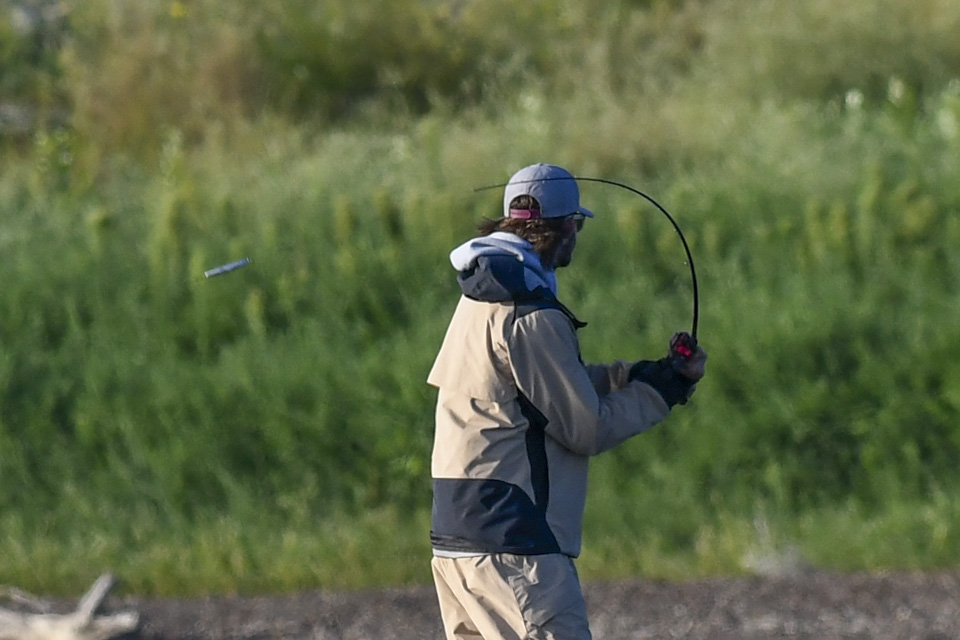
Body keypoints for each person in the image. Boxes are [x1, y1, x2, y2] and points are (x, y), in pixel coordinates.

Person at [426, 163, 707, 640]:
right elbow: (587, 428)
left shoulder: (480, 298)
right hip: (515, 541)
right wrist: (666, 390)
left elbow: (534, 392)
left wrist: (640, 375)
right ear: (563, 229)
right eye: (576, 224)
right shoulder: (530, 313)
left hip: (458, 539)